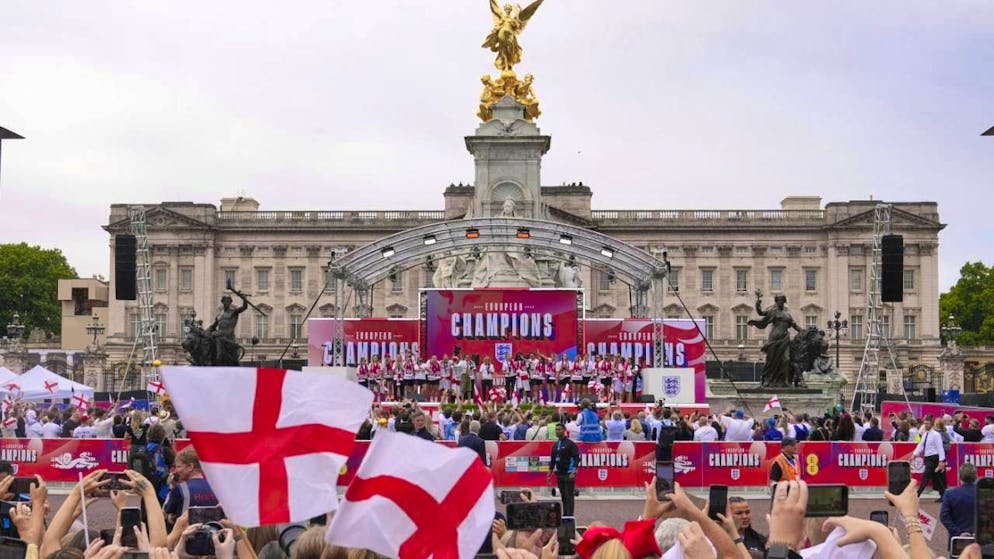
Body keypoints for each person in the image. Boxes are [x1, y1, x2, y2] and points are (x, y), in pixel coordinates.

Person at [162, 447, 219, 525]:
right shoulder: (217, 487)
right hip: (213, 533)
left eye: (178, 466)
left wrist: (171, 488)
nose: (176, 471)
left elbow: (164, 514)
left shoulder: (180, 489)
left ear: (190, 467)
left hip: (187, 534)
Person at [941, 462, 977, 546]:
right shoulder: (982, 493)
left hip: (957, 541)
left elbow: (944, 517)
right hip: (978, 540)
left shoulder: (950, 494)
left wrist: (958, 533)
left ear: (959, 476)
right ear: (976, 476)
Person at [547, 423, 579, 518]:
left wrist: (573, 471)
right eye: (556, 429)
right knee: (563, 496)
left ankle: (569, 516)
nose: (557, 431)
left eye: (559, 429)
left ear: (564, 430)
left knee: (569, 496)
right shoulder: (555, 445)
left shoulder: (570, 444)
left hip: (568, 474)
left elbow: (576, 458)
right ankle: (565, 515)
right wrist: (549, 474)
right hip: (559, 474)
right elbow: (552, 461)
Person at [913, 416, 947, 501]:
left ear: (932, 424)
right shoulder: (925, 434)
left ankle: (917, 494)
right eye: (925, 423)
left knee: (926, 476)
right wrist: (914, 454)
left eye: (927, 424)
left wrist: (941, 460)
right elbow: (920, 445)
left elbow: (940, 447)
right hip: (928, 458)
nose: (926, 425)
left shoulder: (936, 435)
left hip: (935, 458)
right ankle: (943, 495)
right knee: (938, 477)